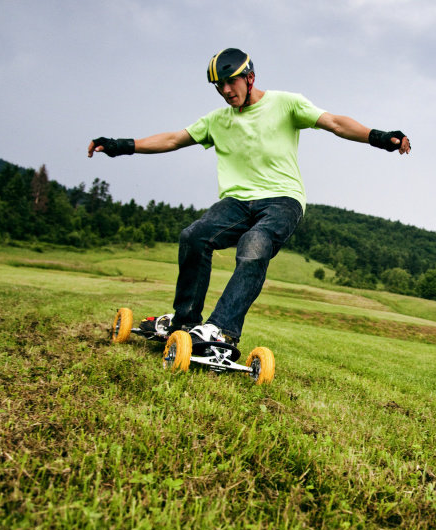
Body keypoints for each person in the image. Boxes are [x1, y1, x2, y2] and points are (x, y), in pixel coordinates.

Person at [89, 48, 410, 356]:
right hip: (236, 204)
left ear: (250, 78)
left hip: (282, 200)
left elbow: (336, 123)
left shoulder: (286, 104)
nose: (226, 91)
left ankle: (220, 329)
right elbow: (173, 139)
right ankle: (184, 321)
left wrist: (378, 137)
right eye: (220, 86)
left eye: (232, 83)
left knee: (255, 244)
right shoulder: (217, 121)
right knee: (193, 236)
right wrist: (122, 145)